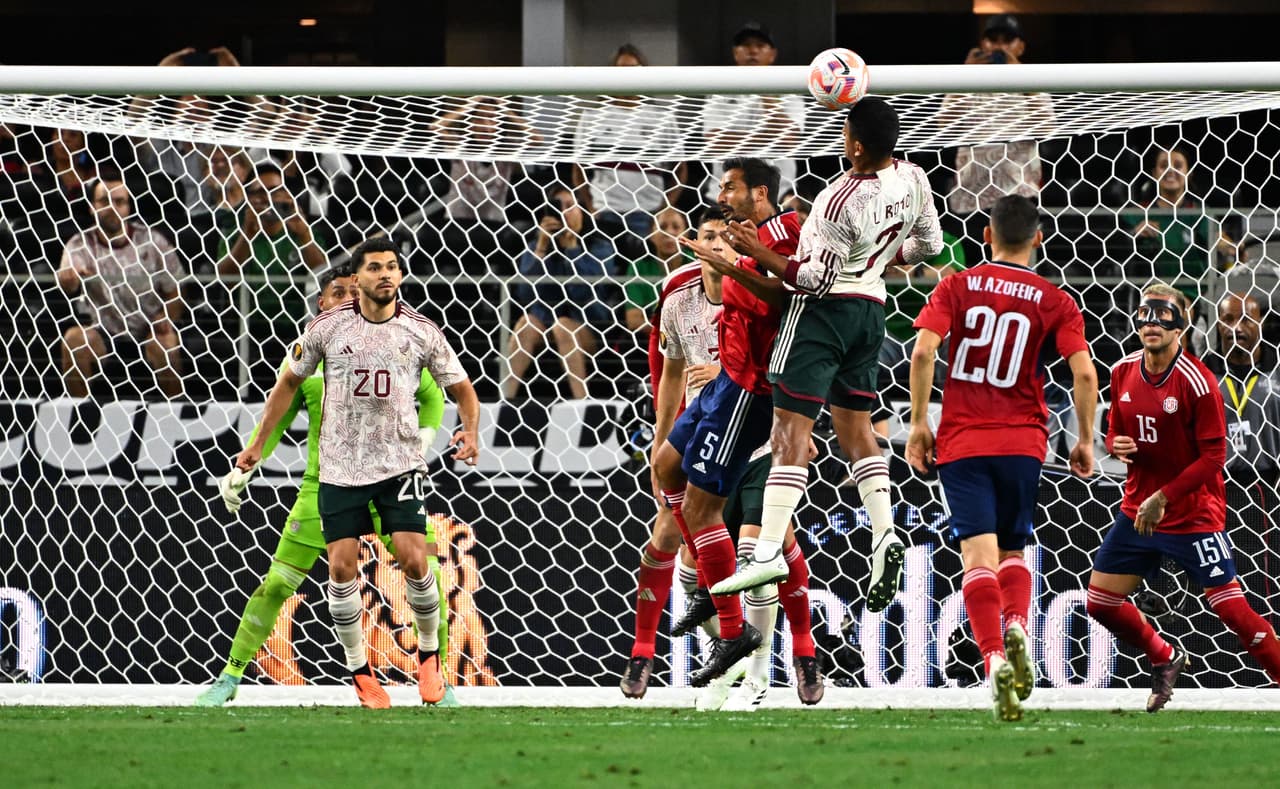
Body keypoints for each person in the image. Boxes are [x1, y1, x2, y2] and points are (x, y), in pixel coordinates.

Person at [711, 98, 943, 617]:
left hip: (823, 317)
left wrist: (758, 251)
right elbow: (929, 244)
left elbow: (814, 279)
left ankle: (767, 549)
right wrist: (879, 259)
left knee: (789, 430)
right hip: (872, 313)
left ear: (856, 145)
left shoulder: (837, 199)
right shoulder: (915, 178)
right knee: (857, 430)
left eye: (843, 131)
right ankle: (884, 534)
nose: (839, 138)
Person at [232, 236, 481, 708]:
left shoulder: (422, 331)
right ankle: (361, 673)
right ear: (357, 277)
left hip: (401, 467)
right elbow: (287, 384)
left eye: (392, 267)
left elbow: (461, 390)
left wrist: (468, 433)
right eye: (374, 268)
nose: (385, 274)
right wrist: (257, 446)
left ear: (400, 275)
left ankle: (431, 662)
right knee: (342, 571)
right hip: (339, 471)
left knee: (416, 560)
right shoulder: (326, 330)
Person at [905, 195, 1098, 721]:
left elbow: (923, 351)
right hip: (1023, 444)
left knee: (977, 557)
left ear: (986, 237)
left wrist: (920, 422)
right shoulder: (1054, 299)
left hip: (965, 440)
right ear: (1038, 239)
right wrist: (1085, 437)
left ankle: (993, 659)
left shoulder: (956, 285)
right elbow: (1083, 373)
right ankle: (1016, 627)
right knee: (1013, 552)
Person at [1085, 283, 1280, 712]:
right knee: (1099, 602)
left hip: (1192, 514)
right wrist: (1114, 442)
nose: (1152, 323)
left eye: (1163, 315)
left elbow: (1214, 457)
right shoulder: (1122, 372)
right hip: (1139, 511)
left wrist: (1165, 497)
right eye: (1145, 314)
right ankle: (1165, 657)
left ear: (1182, 327)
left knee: (1231, 610)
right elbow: (1114, 430)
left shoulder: (1198, 381)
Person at [652, 158, 802, 687]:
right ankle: (702, 586)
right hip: (724, 382)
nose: (721, 193)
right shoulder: (743, 242)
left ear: (759, 192)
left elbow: (782, 299)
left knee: (703, 506)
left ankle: (736, 632)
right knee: (665, 464)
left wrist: (735, 261)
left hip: (750, 387)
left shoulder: (782, 239)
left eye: (730, 186)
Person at [620, 207, 725, 699]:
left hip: (752, 429)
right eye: (708, 236)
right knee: (667, 536)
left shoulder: (763, 284)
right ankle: (642, 652)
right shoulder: (678, 291)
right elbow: (668, 372)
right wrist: (660, 441)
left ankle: (796, 655)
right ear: (693, 241)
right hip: (695, 430)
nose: (716, 246)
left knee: (757, 550)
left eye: (724, 236)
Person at [57, 174, 185, 398]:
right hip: (103, 330)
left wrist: (166, 317)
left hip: (148, 328)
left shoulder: (152, 241)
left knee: (166, 345)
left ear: (128, 206)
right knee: (74, 340)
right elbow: (68, 279)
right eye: (104, 201)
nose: (112, 208)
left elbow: (176, 290)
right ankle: (80, 419)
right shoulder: (80, 243)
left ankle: (174, 419)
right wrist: (69, 279)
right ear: (91, 207)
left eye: (119, 202)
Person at [943, 14, 1050, 265]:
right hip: (970, 200)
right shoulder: (968, 85)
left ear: (1020, 47)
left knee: (1015, 272)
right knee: (974, 274)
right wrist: (964, 75)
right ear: (982, 45)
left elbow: (1048, 125)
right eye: (993, 40)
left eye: (1008, 40)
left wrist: (1021, 75)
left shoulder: (1034, 84)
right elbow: (944, 125)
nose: (1000, 46)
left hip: (1018, 198)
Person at [572, 44, 689, 258]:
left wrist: (664, 207)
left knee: (643, 272)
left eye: (633, 69)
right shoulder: (591, 117)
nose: (627, 76)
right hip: (605, 212)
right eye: (621, 70)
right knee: (605, 274)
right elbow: (577, 170)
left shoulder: (662, 119)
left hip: (647, 212)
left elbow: (681, 170)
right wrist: (590, 207)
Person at [503, 185, 615, 400]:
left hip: (588, 326)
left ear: (582, 211)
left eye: (570, 206)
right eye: (558, 207)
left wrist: (572, 249)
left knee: (564, 326)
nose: (564, 212)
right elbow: (525, 294)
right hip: (544, 324)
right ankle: (505, 400)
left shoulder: (601, 247)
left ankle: (582, 403)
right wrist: (542, 247)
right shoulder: (537, 246)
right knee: (526, 323)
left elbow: (583, 294)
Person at [216, 161, 330, 337]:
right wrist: (247, 236)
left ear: (286, 194)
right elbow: (225, 280)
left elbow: (323, 277)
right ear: (248, 198)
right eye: (260, 192)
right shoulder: (234, 234)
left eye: (276, 190)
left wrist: (304, 235)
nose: (269, 197)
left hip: (298, 328)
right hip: (247, 329)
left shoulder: (304, 233)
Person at [700, 24, 803, 201]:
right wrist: (768, 136)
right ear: (735, 53)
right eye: (746, 45)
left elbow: (788, 140)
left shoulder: (789, 92)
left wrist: (767, 94)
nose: (753, 51)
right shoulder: (720, 92)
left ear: (772, 54)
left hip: (777, 196)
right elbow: (716, 143)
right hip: (726, 197)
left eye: (760, 45)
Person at [1123, 146, 1242, 293]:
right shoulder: (1138, 213)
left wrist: (1229, 247)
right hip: (1148, 294)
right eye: (1163, 166)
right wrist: (1133, 234)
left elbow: (1219, 239)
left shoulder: (1200, 213)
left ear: (1189, 173)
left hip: (1190, 294)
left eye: (1178, 166)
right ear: (1154, 173)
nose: (1170, 170)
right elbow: (1114, 247)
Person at [622, 207, 690, 338]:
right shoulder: (638, 268)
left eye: (676, 227)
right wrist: (669, 335)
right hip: (655, 337)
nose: (669, 233)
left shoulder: (698, 262)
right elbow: (634, 320)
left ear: (686, 234)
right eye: (662, 227)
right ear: (650, 234)